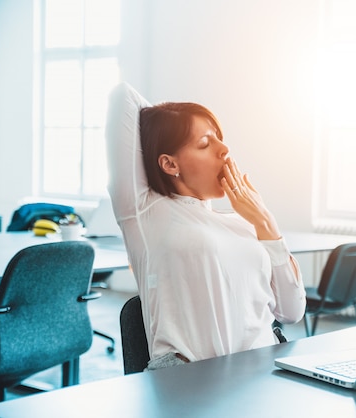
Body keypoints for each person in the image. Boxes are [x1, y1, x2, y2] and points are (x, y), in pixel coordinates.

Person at [106, 83, 306, 370]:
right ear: (169, 164)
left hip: (262, 372)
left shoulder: (243, 223)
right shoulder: (147, 213)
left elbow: (291, 311)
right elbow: (122, 97)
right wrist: (168, 123)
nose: (224, 150)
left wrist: (264, 220)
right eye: (204, 143)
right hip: (194, 386)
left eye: (220, 139)